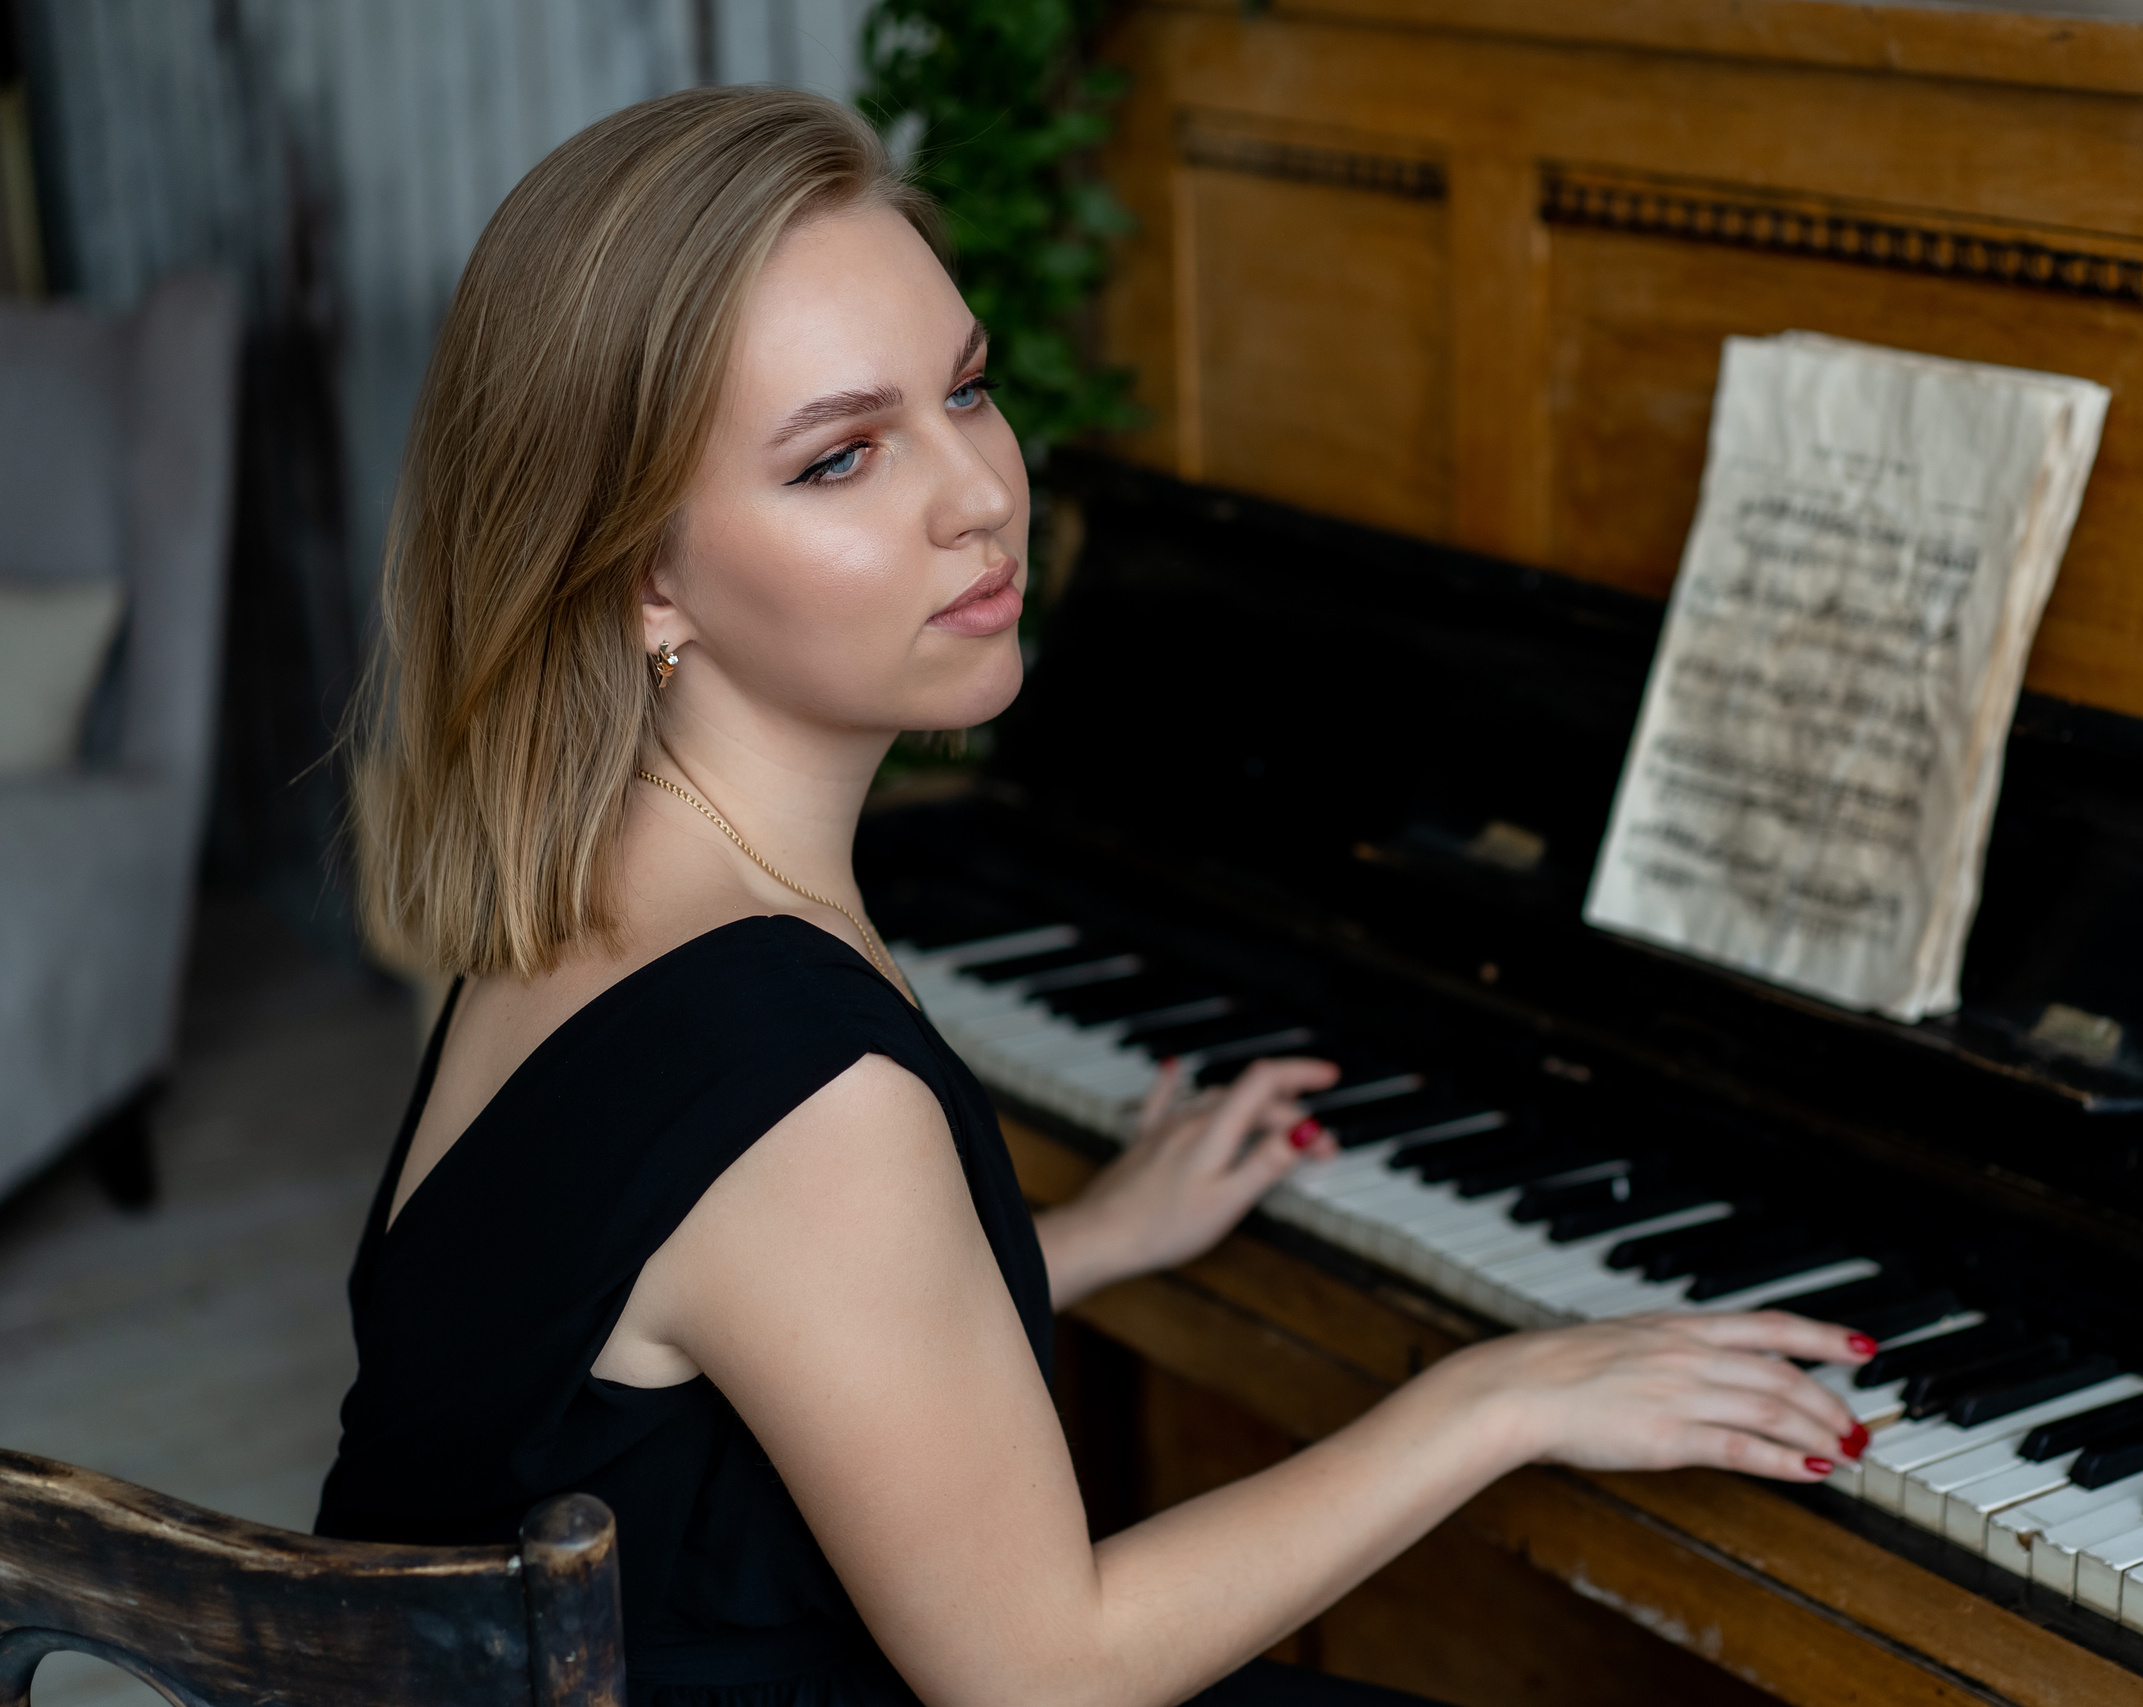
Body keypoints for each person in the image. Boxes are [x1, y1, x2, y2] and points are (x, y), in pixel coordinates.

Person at [316, 85, 1876, 1707]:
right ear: (641, 573)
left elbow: (664, 1369)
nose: (980, 494)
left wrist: (1076, 1245)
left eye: (966, 392)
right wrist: (1495, 1398)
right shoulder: (799, 1081)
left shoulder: (583, 892)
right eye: (843, 456)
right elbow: (1043, 1676)